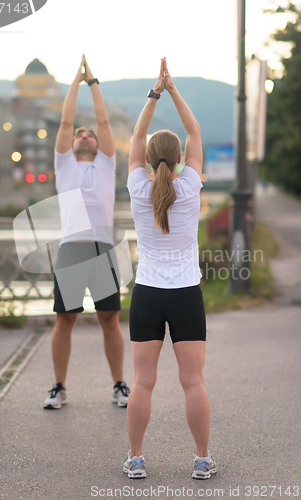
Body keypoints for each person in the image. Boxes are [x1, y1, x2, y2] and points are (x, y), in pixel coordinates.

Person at [123, 58, 217, 479]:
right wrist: (174, 90)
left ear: (146, 158)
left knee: (142, 382)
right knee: (192, 381)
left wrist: (153, 94)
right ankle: (201, 461)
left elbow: (138, 135)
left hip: (147, 293)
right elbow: (195, 131)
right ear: (180, 158)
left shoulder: (137, 187)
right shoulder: (192, 185)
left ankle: (136, 460)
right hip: (185, 295)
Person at [44, 55, 130, 410]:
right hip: (71, 248)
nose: (83, 134)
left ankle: (120, 385)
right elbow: (66, 119)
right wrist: (74, 83)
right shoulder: (63, 163)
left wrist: (92, 83)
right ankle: (58, 387)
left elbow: (103, 119)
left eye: (89, 134)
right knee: (65, 319)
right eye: (79, 133)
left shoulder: (106, 164)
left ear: (98, 146)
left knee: (109, 319)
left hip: (102, 249)